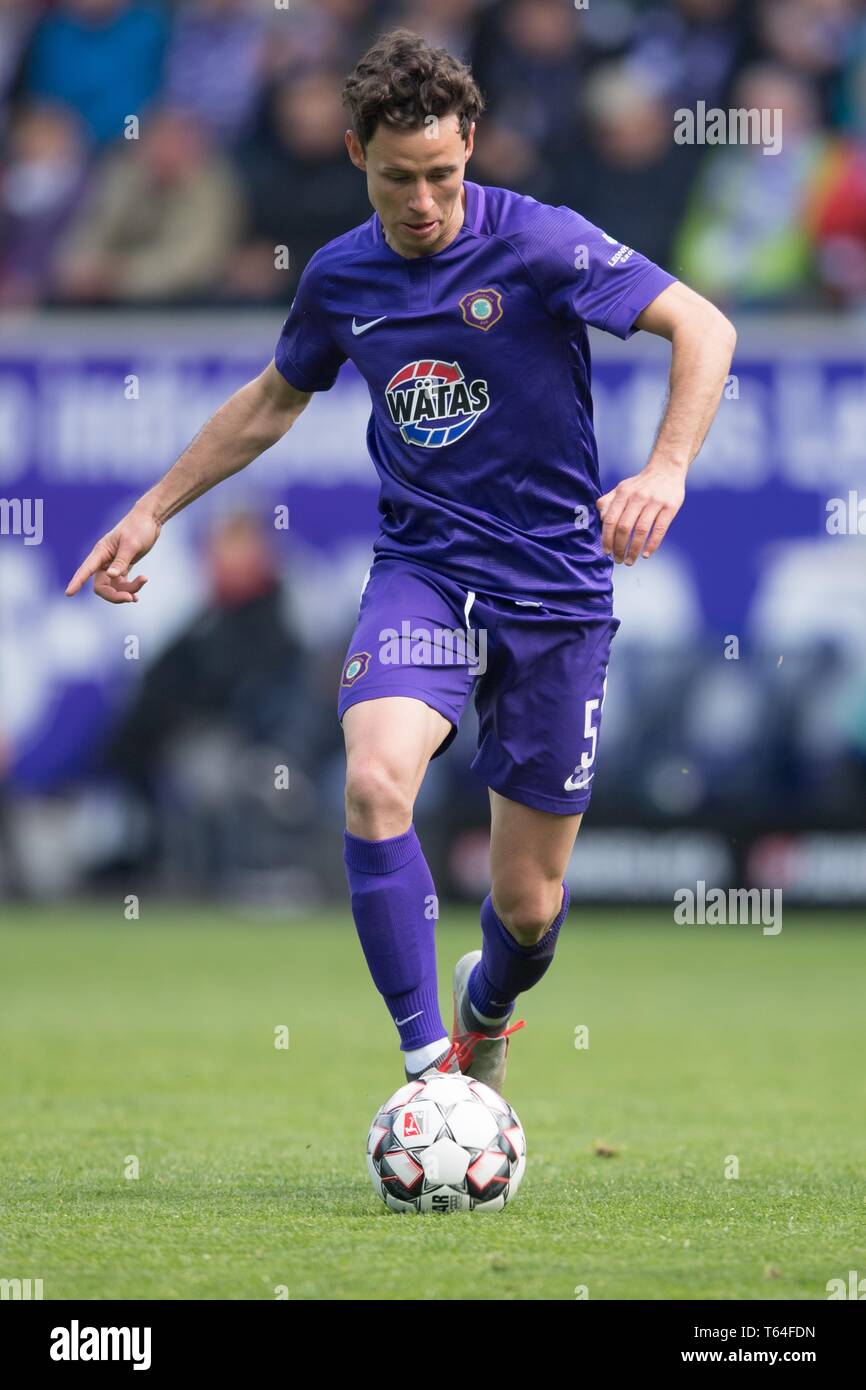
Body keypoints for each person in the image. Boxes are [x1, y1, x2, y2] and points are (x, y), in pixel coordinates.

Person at [66, 30, 736, 1096]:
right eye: (396, 177)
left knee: (528, 909)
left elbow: (700, 324)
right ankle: (430, 1075)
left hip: (553, 588)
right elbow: (272, 400)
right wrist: (152, 508)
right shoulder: (340, 277)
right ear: (353, 154)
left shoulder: (539, 243)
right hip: (421, 570)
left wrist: (664, 468)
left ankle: (485, 1008)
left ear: (469, 144)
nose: (422, 201)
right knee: (376, 783)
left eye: (441, 173)